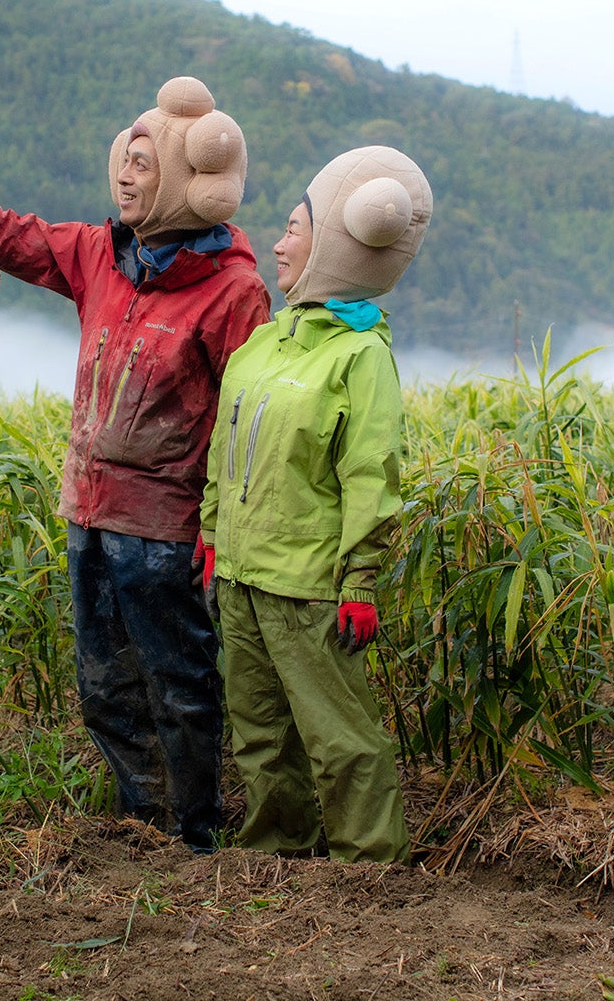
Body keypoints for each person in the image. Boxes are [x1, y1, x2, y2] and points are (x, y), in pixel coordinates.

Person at [0, 78, 272, 852]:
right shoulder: (98, 256)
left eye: (145, 164)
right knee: (105, 683)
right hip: (88, 511)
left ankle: (196, 829)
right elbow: (2, 233)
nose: (126, 175)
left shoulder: (234, 291)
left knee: (180, 680)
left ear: (184, 180)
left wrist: (221, 527)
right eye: (126, 157)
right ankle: (139, 817)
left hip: (167, 527)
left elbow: (246, 425)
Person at [200, 145, 433, 864]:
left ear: (331, 242)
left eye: (294, 228)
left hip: (307, 586)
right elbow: (223, 449)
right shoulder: (263, 346)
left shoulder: (359, 357)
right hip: (240, 574)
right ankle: (277, 848)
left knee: (338, 736)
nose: (277, 241)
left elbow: (372, 473)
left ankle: (370, 863)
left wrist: (360, 578)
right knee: (259, 732)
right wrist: (211, 537)